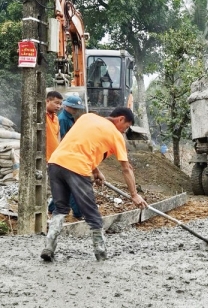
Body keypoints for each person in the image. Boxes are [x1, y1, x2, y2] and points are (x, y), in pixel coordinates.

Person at [41, 107, 148, 262]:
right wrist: (134, 195)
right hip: (77, 168)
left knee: (61, 208)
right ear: (121, 119)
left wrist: (96, 171)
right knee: (91, 212)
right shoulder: (115, 135)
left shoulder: (87, 117)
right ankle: (100, 252)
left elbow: (83, 144)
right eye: (125, 128)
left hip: (55, 163)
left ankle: (49, 247)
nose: (124, 132)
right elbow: (126, 168)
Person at [48, 94, 86, 219]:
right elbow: (64, 139)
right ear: (67, 106)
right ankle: (79, 212)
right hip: (64, 156)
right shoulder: (63, 119)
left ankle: (53, 207)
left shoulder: (66, 118)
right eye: (73, 108)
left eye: (76, 108)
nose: (75, 110)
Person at [45, 91, 63, 162]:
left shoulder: (56, 118)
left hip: (54, 158)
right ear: (47, 101)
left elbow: (58, 137)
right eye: (56, 103)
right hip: (44, 158)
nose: (58, 106)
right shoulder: (41, 116)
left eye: (60, 104)